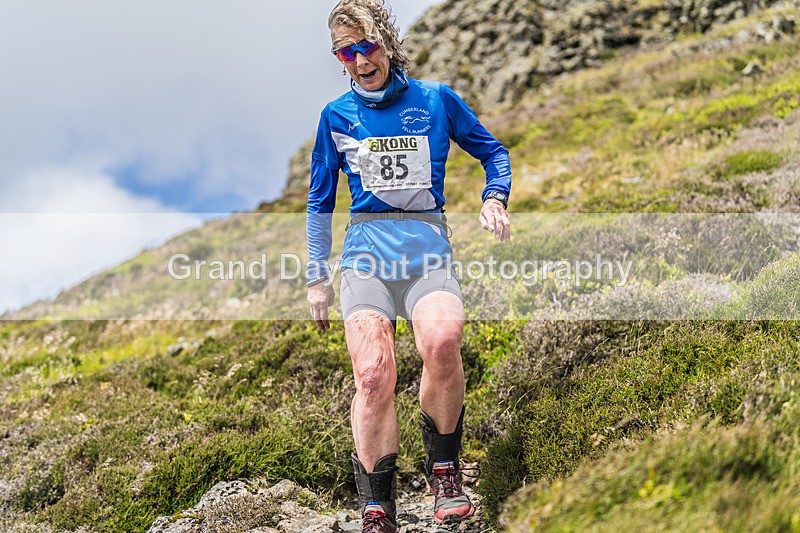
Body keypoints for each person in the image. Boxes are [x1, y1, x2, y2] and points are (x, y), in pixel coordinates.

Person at [305, 1, 511, 530]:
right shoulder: (335, 116)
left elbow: (493, 152)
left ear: (387, 43)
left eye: (366, 45)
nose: (358, 59)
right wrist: (315, 275)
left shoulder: (435, 99)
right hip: (365, 257)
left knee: (442, 343)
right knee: (373, 375)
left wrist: (494, 198)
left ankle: (445, 473)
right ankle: (377, 503)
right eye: (344, 51)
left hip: (427, 251)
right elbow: (320, 201)